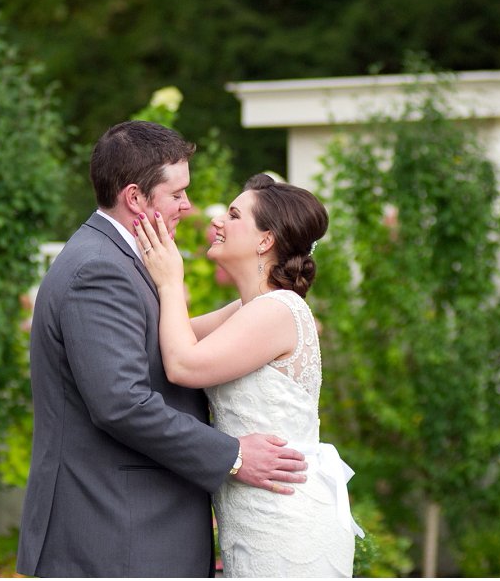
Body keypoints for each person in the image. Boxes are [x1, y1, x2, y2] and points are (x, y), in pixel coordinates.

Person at [17, 122, 310, 578]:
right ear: (136, 198)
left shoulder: (120, 262)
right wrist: (232, 455)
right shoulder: (100, 269)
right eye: (177, 195)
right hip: (117, 534)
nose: (188, 207)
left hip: (137, 530)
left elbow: (182, 344)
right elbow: (121, 404)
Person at [134, 172, 364, 577]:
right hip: (256, 516)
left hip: (285, 522)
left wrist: (171, 282)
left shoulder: (278, 311)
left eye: (235, 215)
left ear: (265, 240)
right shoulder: (248, 310)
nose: (218, 221)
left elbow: (182, 364)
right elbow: (166, 339)